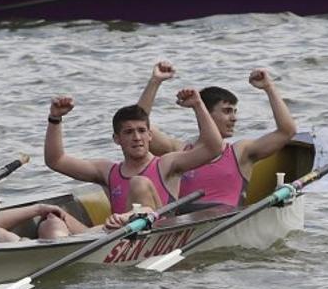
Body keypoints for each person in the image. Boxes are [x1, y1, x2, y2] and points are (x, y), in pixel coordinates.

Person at [41, 86, 222, 237]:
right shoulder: (107, 171)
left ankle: (128, 219)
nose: (137, 137)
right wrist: (55, 118)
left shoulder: (167, 164)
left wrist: (198, 105)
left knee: (139, 182)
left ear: (150, 135)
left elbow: (213, 148)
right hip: (118, 235)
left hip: (157, 234)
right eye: (128, 132)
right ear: (116, 139)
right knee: (52, 219)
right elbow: (56, 160)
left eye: (142, 131)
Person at [138, 61, 297, 207]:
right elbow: (138, 126)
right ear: (205, 112)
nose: (234, 118)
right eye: (227, 111)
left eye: (235, 112)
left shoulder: (241, 152)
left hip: (225, 222)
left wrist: (269, 87)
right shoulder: (178, 151)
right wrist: (155, 82)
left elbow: (287, 131)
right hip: (185, 223)